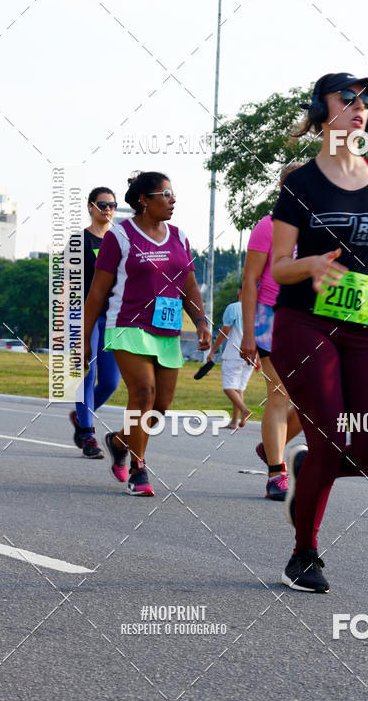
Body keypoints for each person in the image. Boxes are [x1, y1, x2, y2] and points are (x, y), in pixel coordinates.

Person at [270, 72, 368, 593]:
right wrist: (310, 264)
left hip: (363, 327)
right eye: (348, 98)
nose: (361, 106)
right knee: (332, 435)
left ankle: (313, 467)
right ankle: (303, 554)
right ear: (322, 108)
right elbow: (278, 267)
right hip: (303, 323)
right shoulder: (301, 183)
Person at [82, 171, 211, 496]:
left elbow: (189, 286)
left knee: (160, 407)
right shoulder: (120, 237)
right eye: (165, 195)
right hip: (127, 325)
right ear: (144, 200)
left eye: (172, 194)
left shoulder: (179, 237)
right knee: (143, 392)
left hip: (166, 328)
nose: (173, 200)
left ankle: (119, 440)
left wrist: (201, 321)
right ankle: (140, 469)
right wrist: (84, 337)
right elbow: (97, 291)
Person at [240, 165, 304, 501]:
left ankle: (271, 448)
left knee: (315, 404)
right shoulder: (267, 227)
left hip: (309, 322)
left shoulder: (319, 229)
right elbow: (250, 281)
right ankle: (276, 473)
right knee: (279, 394)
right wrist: (248, 333)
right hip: (270, 320)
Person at [69, 187, 121, 459]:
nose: (108, 208)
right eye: (102, 204)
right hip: (82, 314)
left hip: (111, 316)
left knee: (111, 381)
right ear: (90, 206)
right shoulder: (79, 241)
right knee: (86, 374)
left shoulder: (119, 240)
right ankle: (88, 435)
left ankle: (80, 416)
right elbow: (67, 284)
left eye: (113, 204)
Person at [207, 286, 255, 429]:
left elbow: (225, 331)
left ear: (239, 292)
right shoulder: (256, 310)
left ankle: (244, 409)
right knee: (239, 388)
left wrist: (213, 351)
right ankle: (234, 422)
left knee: (228, 387)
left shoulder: (233, 307)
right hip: (251, 354)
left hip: (235, 352)